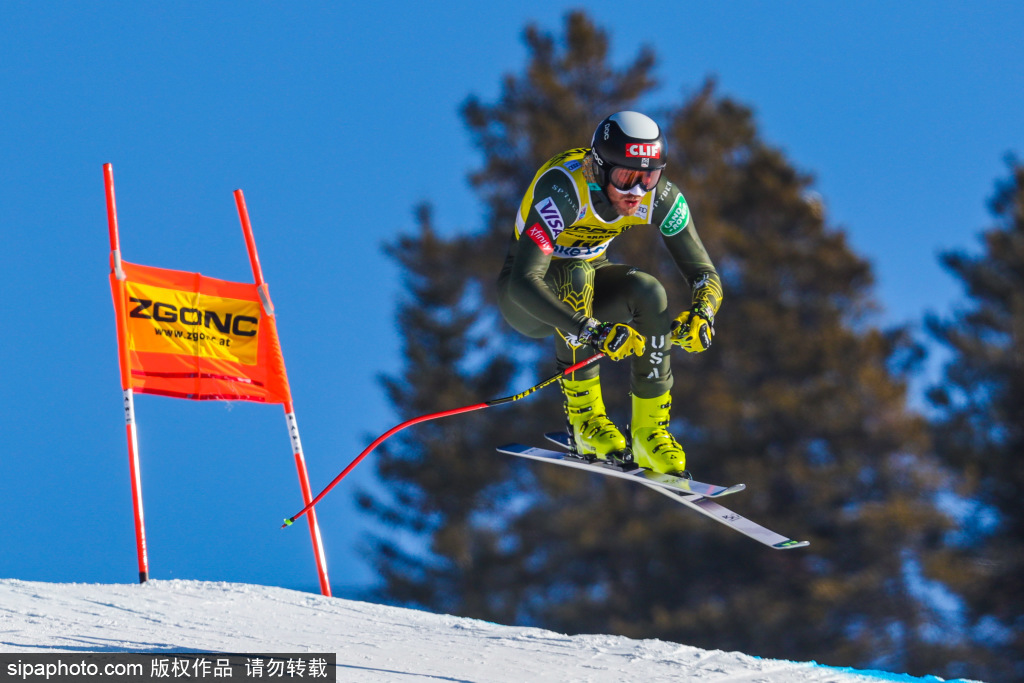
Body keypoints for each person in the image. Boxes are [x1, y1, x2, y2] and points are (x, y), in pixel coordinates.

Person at [497, 111, 722, 475]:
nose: (637, 192)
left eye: (649, 177)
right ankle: (584, 421)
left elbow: (704, 272)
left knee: (649, 291)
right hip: (526, 298)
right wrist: (591, 330)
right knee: (575, 273)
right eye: (626, 178)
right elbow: (524, 279)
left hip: (588, 280)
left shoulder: (660, 197)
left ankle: (650, 433)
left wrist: (703, 313)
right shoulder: (565, 190)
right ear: (600, 169)